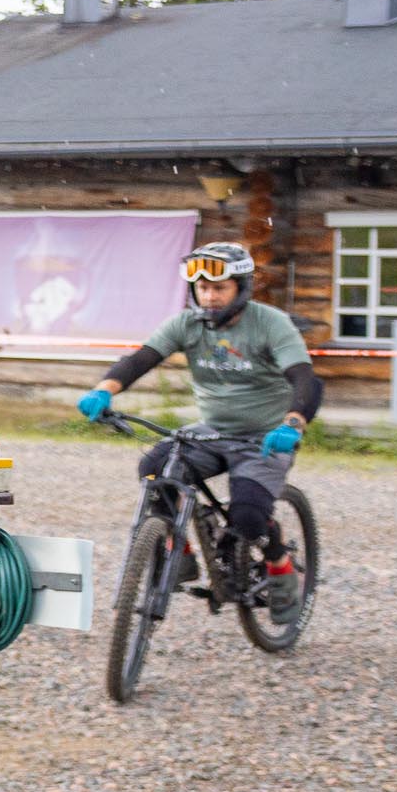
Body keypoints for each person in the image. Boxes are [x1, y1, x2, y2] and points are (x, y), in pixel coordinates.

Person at [77, 241, 321, 624]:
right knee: (155, 469)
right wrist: (104, 390)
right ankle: (180, 549)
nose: (209, 297)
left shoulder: (271, 324)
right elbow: (142, 358)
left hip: (266, 435)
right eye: (202, 288)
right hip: (212, 430)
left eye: (218, 288)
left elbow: (305, 379)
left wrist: (293, 422)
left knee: (248, 515)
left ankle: (280, 563)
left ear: (241, 288)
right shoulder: (186, 324)